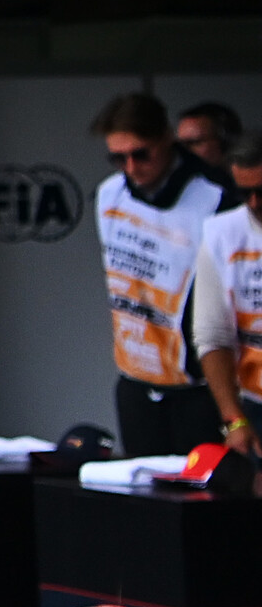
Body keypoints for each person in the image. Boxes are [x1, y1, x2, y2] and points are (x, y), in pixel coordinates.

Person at [99, 90, 229, 458]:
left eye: (141, 154)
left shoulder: (215, 196)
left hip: (197, 388)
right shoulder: (110, 194)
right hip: (136, 378)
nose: (131, 167)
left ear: (166, 138)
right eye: (117, 157)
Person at [187, 129, 262, 476]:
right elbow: (212, 336)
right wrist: (234, 421)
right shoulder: (223, 233)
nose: (254, 204)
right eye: (244, 192)